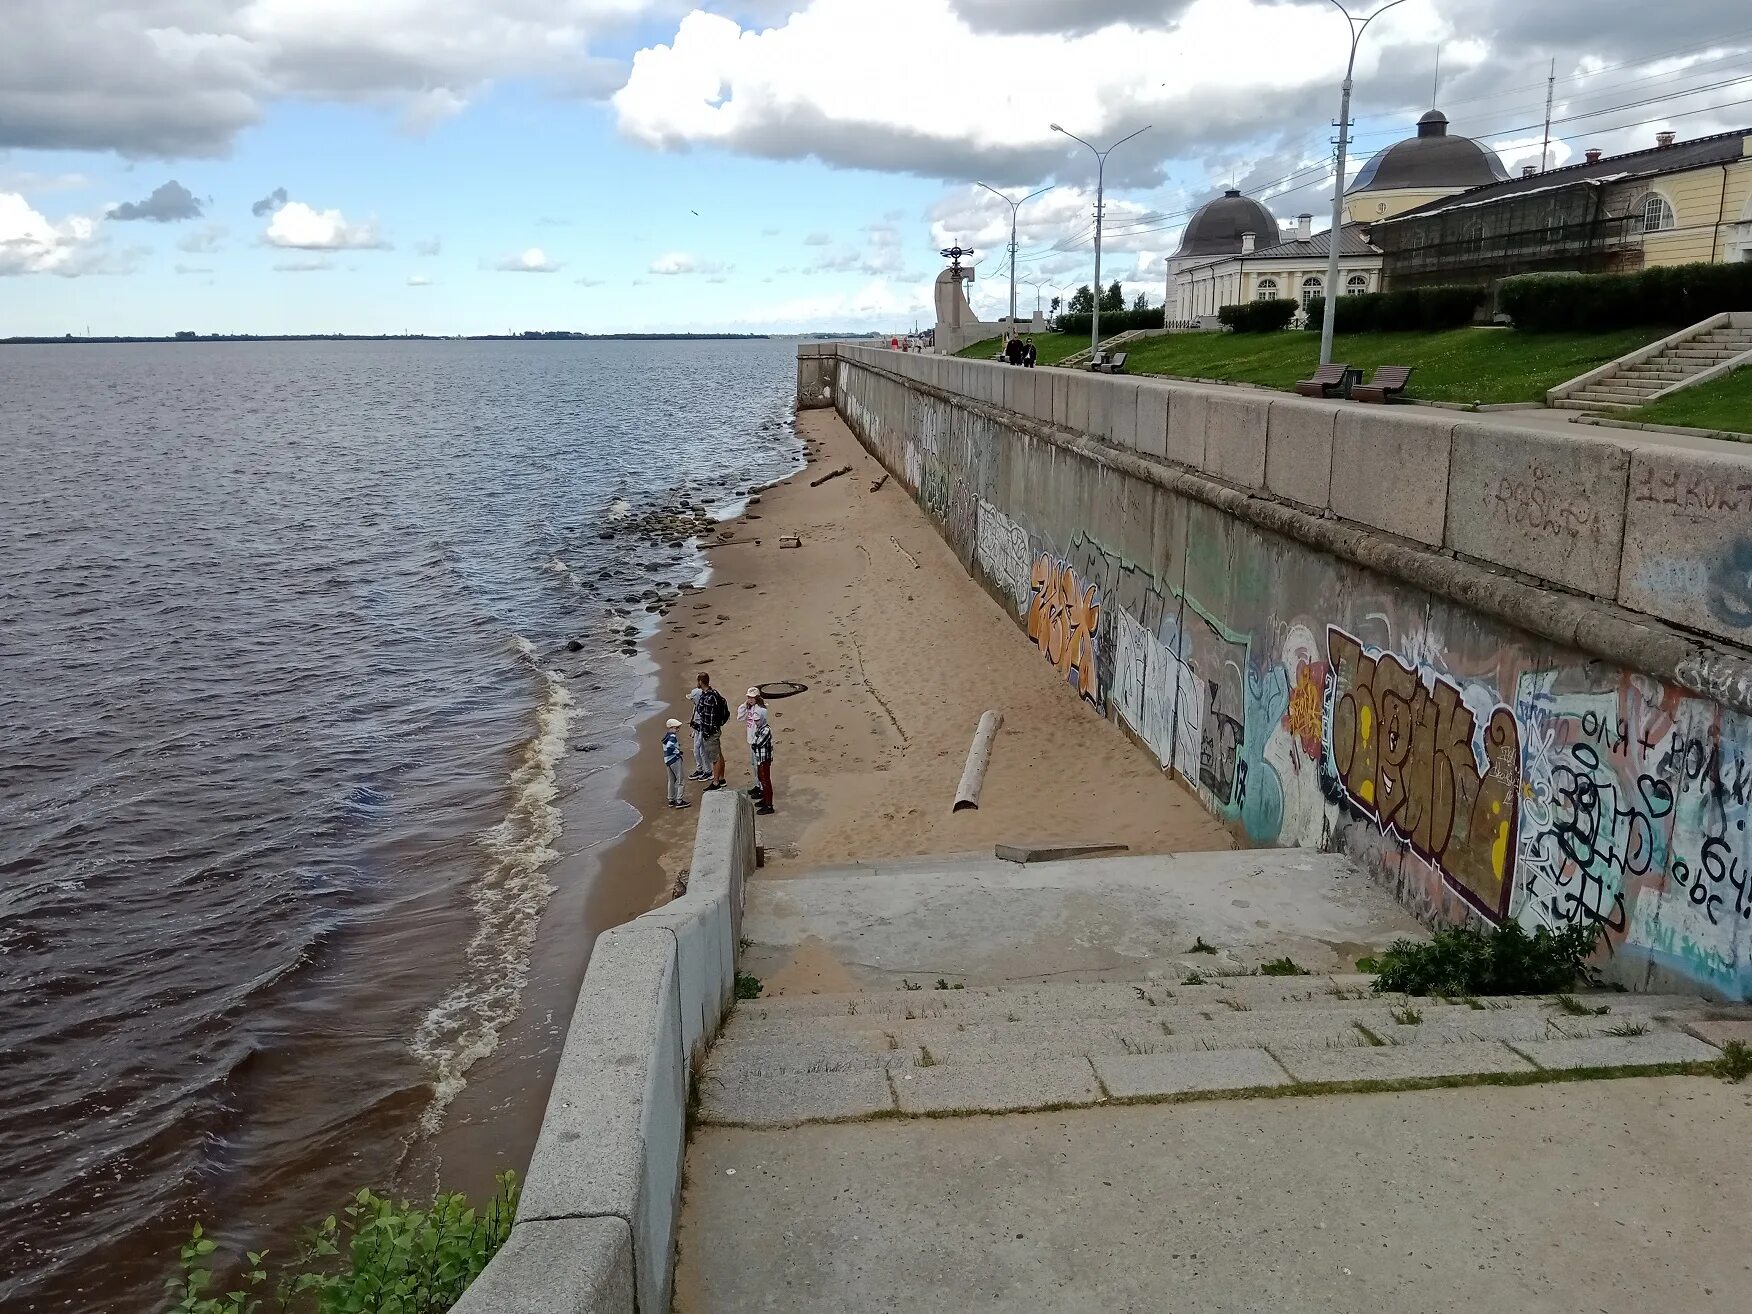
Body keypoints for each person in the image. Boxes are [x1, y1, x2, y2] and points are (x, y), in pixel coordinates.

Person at [736, 686, 775, 815]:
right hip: (753, 742)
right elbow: (740, 716)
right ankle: (761, 791)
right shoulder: (751, 708)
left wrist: (754, 742)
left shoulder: (760, 713)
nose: (750, 699)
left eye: (752, 697)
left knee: (763, 775)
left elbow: (760, 742)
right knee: (756, 770)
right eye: (748, 697)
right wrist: (745, 705)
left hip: (760, 751)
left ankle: (765, 798)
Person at [691, 672, 730, 789]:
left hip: (710, 732)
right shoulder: (713, 693)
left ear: (700, 682)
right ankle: (721, 778)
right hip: (715, 730)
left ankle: (716, 782)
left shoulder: (708, 698)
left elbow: (704, 714)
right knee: (718, 754)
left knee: (715, 758)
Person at [662, 718, 689, 809]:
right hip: (674, 760)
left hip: (667, 760)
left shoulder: (666, 736)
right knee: (680, 780)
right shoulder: (672, 736)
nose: (678, 729)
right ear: (671, 727)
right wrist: (677, 752)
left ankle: (671, 799)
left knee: (671, 780)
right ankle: (679, 800)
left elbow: (667, 747)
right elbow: (670, 747)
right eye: (676, 727)